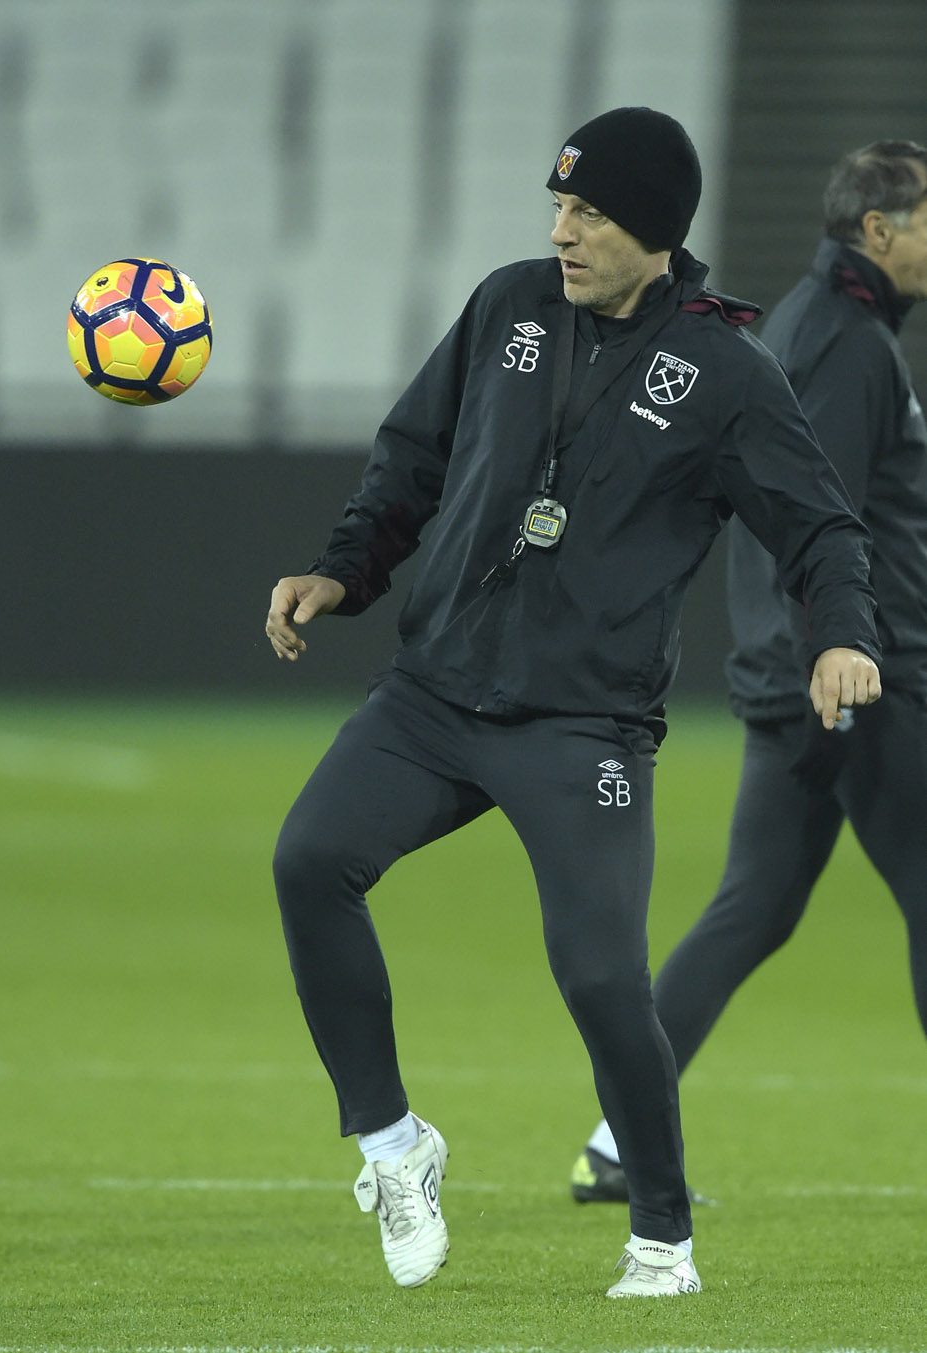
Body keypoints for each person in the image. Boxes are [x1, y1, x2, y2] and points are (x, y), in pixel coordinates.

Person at [267, 107, 882, 1299]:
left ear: (652, 228)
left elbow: (820, 529)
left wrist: (844, 636)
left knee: (603, 979)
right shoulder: (508, 306)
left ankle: (662, 1238)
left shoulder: (724, 372)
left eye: (587, 213)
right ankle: (394, 1147)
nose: (561, 231)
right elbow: (411, 459)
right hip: (436, 693)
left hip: (582, 725)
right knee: (309, 860)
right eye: (557, 207)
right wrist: (341, 571)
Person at [572, 138, 927, 1207]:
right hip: (860, 675)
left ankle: (618, 1140)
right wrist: (831, 649)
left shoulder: (824, 327)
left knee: (756, 904)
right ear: (879, 230)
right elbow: (808, 518)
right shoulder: (847, 344)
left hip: (815, 668)